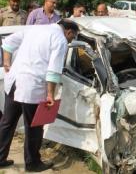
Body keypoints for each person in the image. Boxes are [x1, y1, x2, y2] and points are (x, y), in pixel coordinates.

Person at [0, 19, 79, 172]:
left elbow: (8, 42)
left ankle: (0, 158)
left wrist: (7, 62)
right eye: (72, 37)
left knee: (7, 123)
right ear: (69, 32)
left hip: (13, 82)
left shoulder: (35, 29)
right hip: (32, 86)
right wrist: (50, 94)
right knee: (34, 127)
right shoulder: (60, 39)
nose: (71, 41)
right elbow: (54, 70)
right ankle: (33, 163)